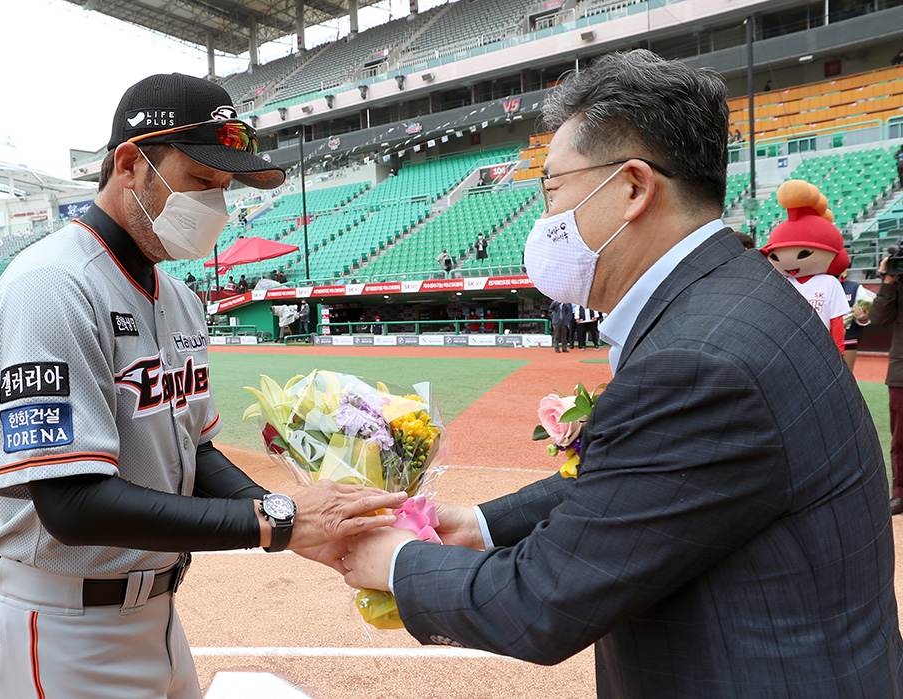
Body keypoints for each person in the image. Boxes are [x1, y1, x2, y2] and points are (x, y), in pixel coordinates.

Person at [341, 50, 903, 696]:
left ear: (633, 187)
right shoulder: (739, 296)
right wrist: (480, 523)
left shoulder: (698, 359)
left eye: (553, 189)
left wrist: (393, 561)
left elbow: (543, 599)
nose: (545, 217)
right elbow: (649, 478)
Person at [0, 73, 405, 699]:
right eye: (201, 181)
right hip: (66, 625)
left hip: (161, 617)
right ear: (129, 163)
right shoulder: (50, 288)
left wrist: (303, 524)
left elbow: (195, 454)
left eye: (224, 189)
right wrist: (274, 521)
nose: (216, 207)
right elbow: (71, 505)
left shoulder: (177, 296)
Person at [870, 255, 903, 514]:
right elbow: (879, 319)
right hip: (901, 372)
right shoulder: (896, 282)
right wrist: (889, 281)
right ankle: (899, 493)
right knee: (899, 439)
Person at [841, 270, 874, 372]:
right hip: (822, 339)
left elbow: (865, 318)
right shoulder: (819, 286)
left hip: (848, 339)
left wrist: (863, 318)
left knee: (846, 376)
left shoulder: (854, 287)